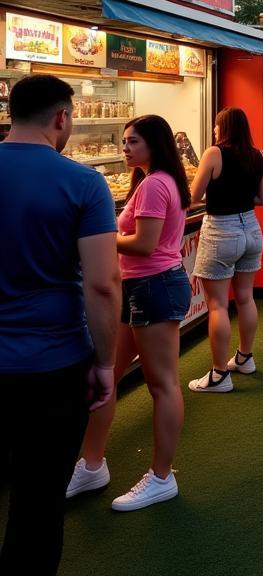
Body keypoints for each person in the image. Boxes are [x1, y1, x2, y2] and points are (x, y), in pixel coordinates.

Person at [0, 76, 119, 573]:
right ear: (62, 118)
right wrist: (106, 362)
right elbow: (102, 284)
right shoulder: (83, 183)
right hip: (54, 362)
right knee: (39, 501)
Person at [70, 114, 193, 510]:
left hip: (154, 287)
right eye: (124, 141)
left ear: (153, 144)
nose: (125, 148)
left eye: (133, 141)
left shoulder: (156, 183)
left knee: (163, 385)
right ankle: (91, 465)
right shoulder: (153, 181)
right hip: (138, 286)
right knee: (106, 372)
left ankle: (161, 477)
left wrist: (99, 237)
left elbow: (145, 244)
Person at [188, 106, 263, 392]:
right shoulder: (256, 155)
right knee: (246, 298)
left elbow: (194, 195)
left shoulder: (214, 153)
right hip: (250, 227)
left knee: (218, 305)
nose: (213, 130)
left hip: (221, 230)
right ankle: (245, 358)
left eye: (216, 125)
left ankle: (220, 374)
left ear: (223, 127)